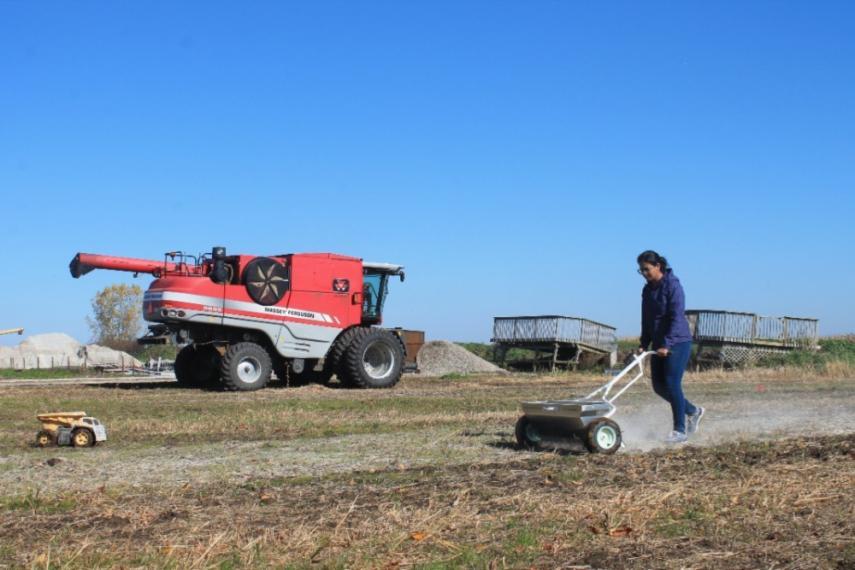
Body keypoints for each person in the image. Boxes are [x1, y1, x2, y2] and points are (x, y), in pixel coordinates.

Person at [636, 250, 705, 444]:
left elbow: (676, 316)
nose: (644, 273)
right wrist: (644, 342)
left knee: (672, 382)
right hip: (659, 343)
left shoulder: (673, 285)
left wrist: (667, 343)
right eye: (641, 270)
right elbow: (647, 318)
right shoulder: (647, 289)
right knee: (658, 387)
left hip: (677, 342)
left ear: (658, 266)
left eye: (647, 269)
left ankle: (679, 430)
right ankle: (693, 411)